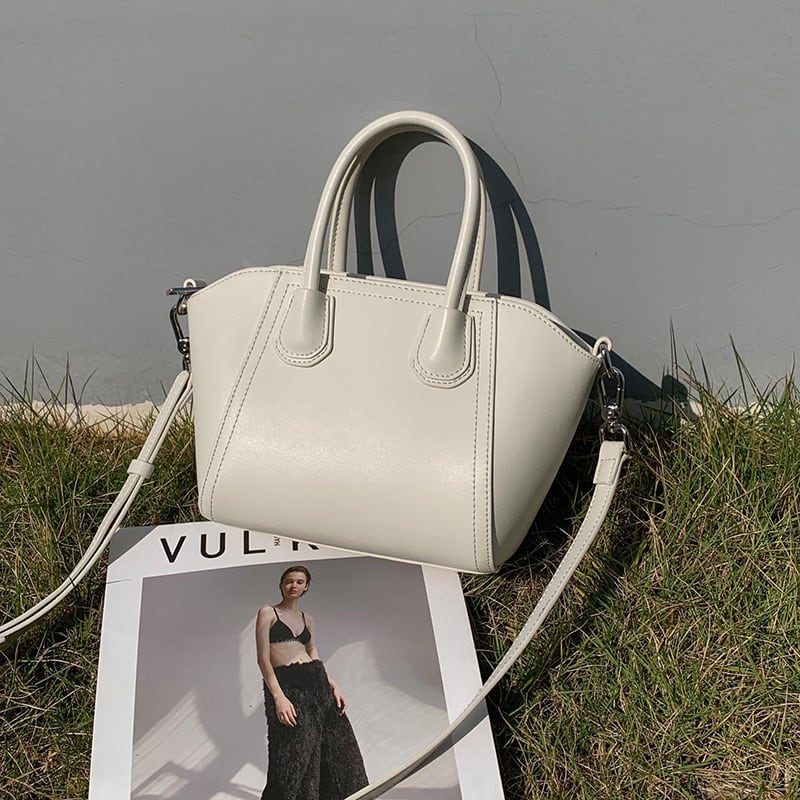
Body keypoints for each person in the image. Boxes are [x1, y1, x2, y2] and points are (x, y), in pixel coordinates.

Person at [255, 565, 368, 800]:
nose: (293, 585)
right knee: (292, 755)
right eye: (289, 581)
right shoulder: (268, 613)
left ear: (306, 587)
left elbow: (313, 655)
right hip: (289, 686)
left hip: (317, 683)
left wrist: (333, 684)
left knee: (339, 749)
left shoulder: (308, 619)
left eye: (299, 582)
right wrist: (279, 697)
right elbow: (263, 659)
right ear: (281, 585)